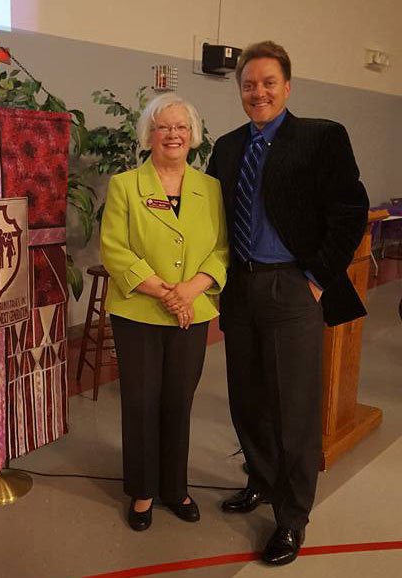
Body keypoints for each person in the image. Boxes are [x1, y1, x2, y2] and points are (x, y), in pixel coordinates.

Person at [207, 41, 369, 565]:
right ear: (240, 90)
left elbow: (350, 210)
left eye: (268, 83)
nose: (258, 92)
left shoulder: (321, 137)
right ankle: (259, 478)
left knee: (294, 408)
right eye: (249, 84)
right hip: (242, 287)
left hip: (293, 289)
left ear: (288, 86)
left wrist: (317, 280)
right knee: (247, 397)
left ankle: (292, 516)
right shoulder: (228, 148)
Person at [101, 93, 229, 531]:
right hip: (138, 311)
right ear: (148, 135)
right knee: (140, 401)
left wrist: (190, 290)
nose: (173, 134)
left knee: (179, 399)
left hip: (191, 312)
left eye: (181, 128)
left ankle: (175, 487)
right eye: (163, 127)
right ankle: (142, 490)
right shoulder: (124, 186)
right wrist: (164, 292)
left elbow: (221, 249)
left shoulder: (210, 189)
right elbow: (114, 250)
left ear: (192, 137)